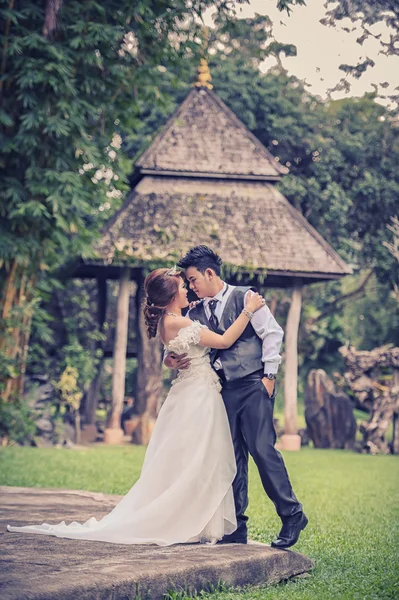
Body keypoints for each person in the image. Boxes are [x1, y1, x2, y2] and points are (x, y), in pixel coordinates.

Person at [7, 267, 264, 547]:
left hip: (190, 392)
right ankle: (186, 520)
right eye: (181, 287)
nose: (187, 290)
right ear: (170, 297)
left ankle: (193, 519)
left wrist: (169, 360)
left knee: (190, 459)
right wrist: (248, 310)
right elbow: (225, 341)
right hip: (199, 396)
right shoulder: (181, 323)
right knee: (199, 459)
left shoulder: (171, 320)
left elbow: (173, 352)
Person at [164, 246, 307, 549]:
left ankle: (292, 514)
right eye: (188, 283)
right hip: (222, 391)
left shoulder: (246, 298)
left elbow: (272, 334)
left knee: (261, 449)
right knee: (230, 458)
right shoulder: (195, 311)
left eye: (193, 280)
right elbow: (181, 341)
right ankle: (236, 525)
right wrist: (171, 359)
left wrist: (269, 376)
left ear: (210, 273)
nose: (191, 287)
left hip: (254, 385)